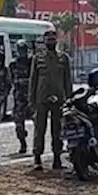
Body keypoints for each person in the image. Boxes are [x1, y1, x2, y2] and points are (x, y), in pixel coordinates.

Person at [29, 29, 71, 171]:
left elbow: (67, 81)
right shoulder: (37, 58)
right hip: (41, 99)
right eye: (48, 39)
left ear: (56, 40)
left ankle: (57, 159)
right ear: (44, 41)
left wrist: (69, 100)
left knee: (57, 130)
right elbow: (33, 81)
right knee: (39, 129)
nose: (50, 42)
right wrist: (32, 101)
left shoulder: (63, 58)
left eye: (53, 39)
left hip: (59, 100)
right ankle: (37, 159)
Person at [9, 39, 33, 155]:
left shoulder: (32, 63)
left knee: (38, 123)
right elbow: (10, 80)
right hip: (19, 98)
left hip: (32, 97)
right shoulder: (13, 64)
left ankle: (37, 146)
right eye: (20, 50)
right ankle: (23, 143)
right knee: (18, 123)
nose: (22, 52)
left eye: (23, 50)